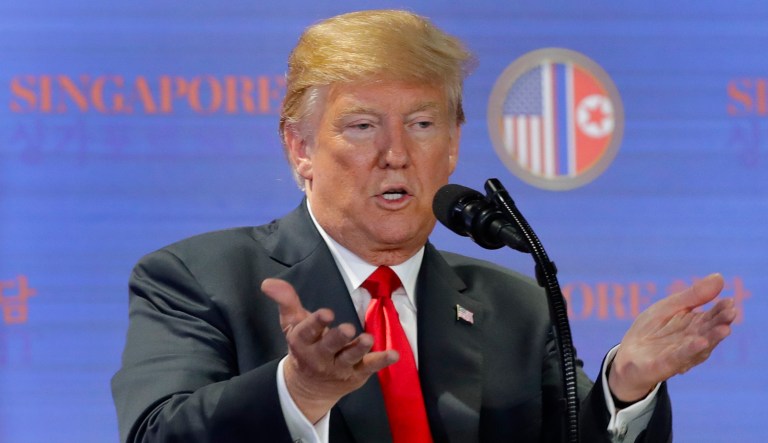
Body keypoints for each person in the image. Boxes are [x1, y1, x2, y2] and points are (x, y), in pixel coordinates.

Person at [111, 10, 736, 443]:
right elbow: (155, 433)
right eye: (361, 127)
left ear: (455, 145)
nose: (396, 153)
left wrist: (626, 386)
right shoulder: (198, 279)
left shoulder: (517, 307)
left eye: (422, 124)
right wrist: (297, 390)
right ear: (299, 148)